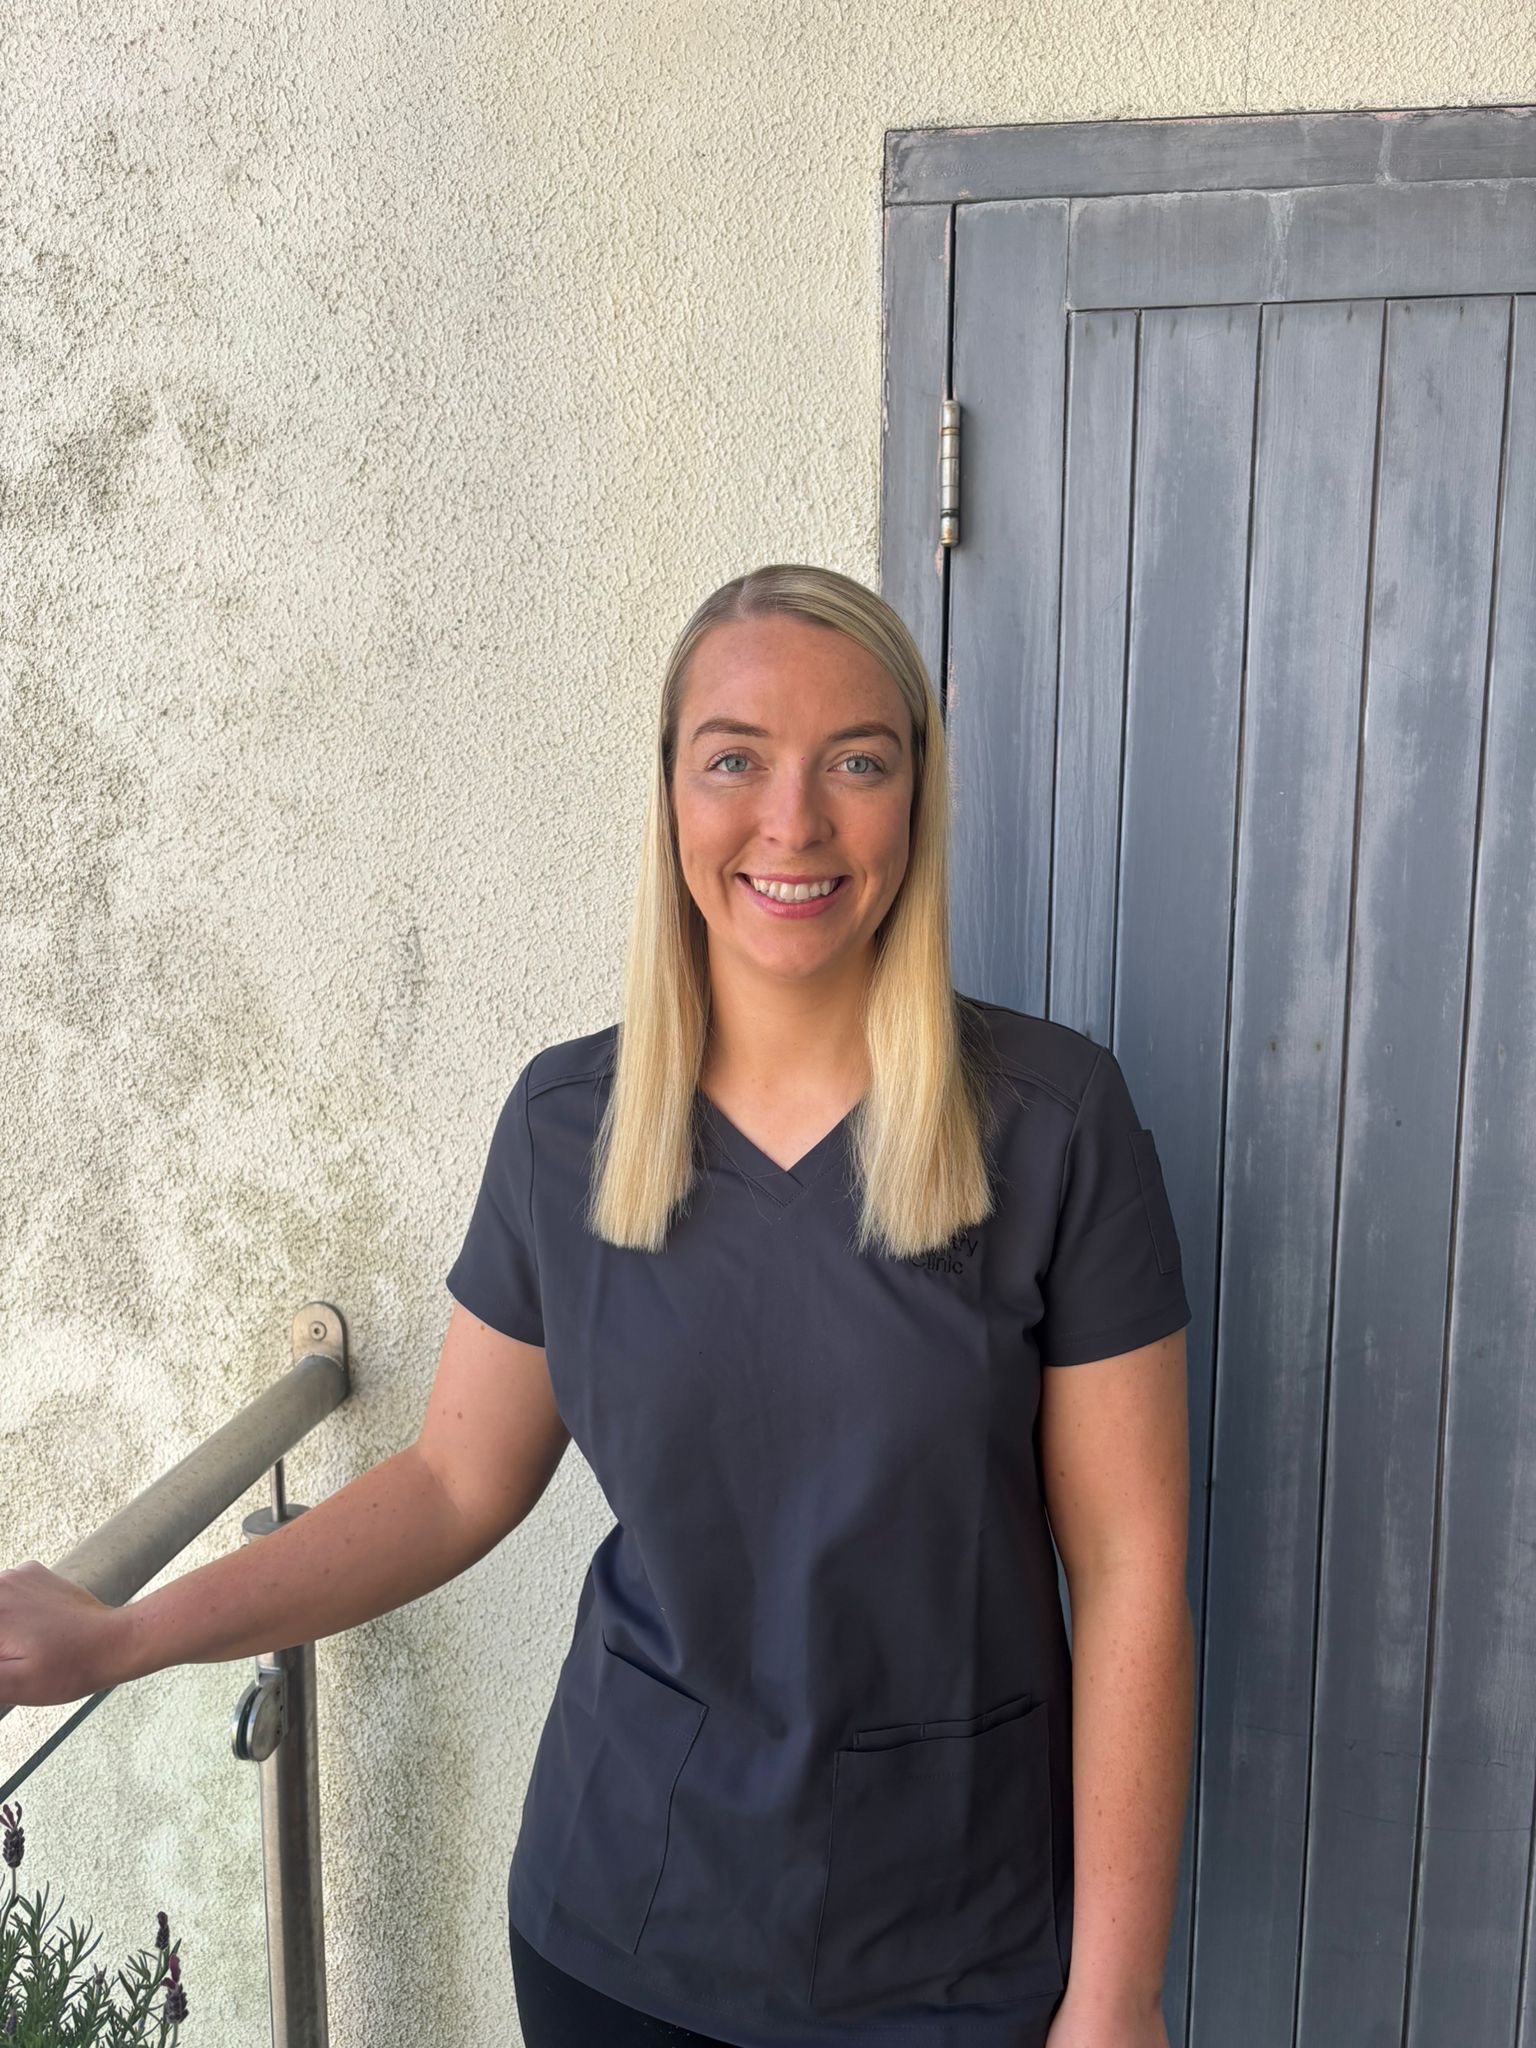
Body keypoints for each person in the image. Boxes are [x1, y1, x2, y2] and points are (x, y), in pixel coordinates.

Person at [0, 564, 1195, 2048]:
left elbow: (1131, 1566)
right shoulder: (567, 1127)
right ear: (670, 793)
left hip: (959, 1951)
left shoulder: (1055, 1125)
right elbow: (450, 1485)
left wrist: (1117, 1992)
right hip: (623, 1930)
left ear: (916, 797)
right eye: (735, 760)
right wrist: (121, 1636)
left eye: (857, 762)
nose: (793, 822)